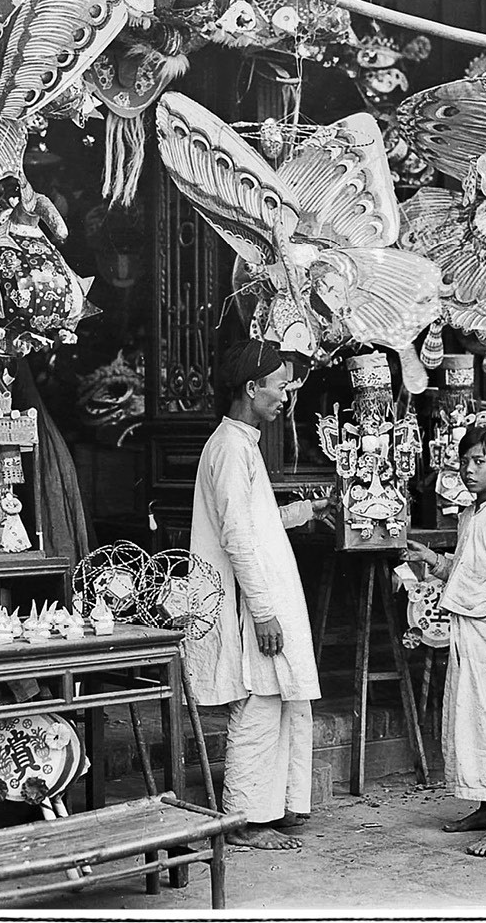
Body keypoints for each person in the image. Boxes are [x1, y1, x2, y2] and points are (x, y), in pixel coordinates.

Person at [187, 340, 332, 849]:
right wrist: (265, 612)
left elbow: (257, 521)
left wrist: (309, 510)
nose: (285, 397)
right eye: (280, 387)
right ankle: (246, 821)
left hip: (262, 599)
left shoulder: (242, 444)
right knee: (259, 704)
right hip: (251, 605)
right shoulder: (230, 448)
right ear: (251, 388)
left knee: (283, 700)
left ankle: (279, 806)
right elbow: (237, 538)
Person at [404, 427, 486, 857]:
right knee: (467, 717)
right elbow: (466, 569)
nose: (468, 470)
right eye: (464, 462)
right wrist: (431, 559)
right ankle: (484, 807)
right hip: (466, 626)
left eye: (479, 461)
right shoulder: (470, 514)